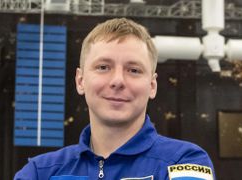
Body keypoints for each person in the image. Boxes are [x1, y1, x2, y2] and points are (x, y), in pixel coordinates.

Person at [14, 18, 215, 180]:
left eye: (134, 70)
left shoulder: (184, 162)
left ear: (152, 86)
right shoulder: (41, 172)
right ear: (80, 80)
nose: (117, 81)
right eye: (103, 67)